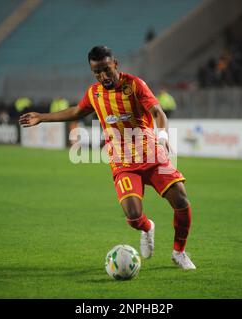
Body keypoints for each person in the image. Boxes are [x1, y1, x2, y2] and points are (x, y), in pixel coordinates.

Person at [19, 46, 196, 269]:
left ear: (115, 64)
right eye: (97, 72)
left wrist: (161, 137)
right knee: (133, 216)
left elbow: (158, 113)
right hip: (123, 162)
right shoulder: (94, 93)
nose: (103, 76)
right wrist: (42, 117)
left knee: (181, 199)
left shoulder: (135, 85)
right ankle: (147, 227)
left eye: (106, 70)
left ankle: (179, 253)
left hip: (152, 154)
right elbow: (76, 111)